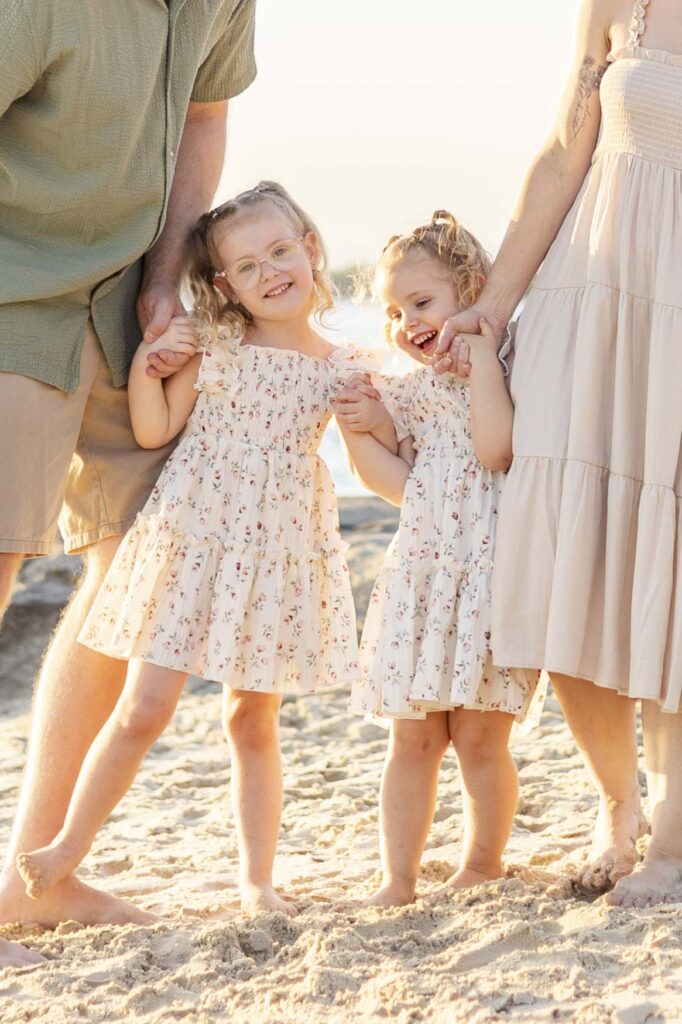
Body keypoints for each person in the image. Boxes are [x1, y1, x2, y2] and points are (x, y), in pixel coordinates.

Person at [13, 181, 377, 917]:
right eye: (247, 267)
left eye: (280, 251)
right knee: (144, 708)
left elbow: (376, 470)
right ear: (224, 286)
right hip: (192, 541)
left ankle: (257, 881)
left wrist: (374, 414)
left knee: (252, 719)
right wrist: (151, 368)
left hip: (277, 555)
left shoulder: (343, 366)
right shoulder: (212, 348)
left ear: (310, 251)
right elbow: (154, 432)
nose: (270, 272)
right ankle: (65, 849)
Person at [0, 0, 257, 961]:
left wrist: (166, 269)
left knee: (138, 578)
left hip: (130, 306)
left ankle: (36, 877)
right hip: (12, 292)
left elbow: (204, 112)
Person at [435, 0, 682, 906]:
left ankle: (673, 846)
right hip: (590, 306)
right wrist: (493, 307)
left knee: (674, 571)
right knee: (570, 556)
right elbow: (564, 152)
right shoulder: (619, 5)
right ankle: (619, 808)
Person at [334, 213, 541, 906]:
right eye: (393, 311)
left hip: (489, 582)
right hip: (423, 584)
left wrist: (481, 358)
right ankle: (397, 878)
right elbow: (394, 485)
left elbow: (496, 451)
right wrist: (360, 427)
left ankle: (483, 862)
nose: (406, 322)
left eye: (421, 303)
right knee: (413, 740)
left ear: (473, 290)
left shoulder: (508, 366)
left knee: (482, 739)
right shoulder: (407, 390)